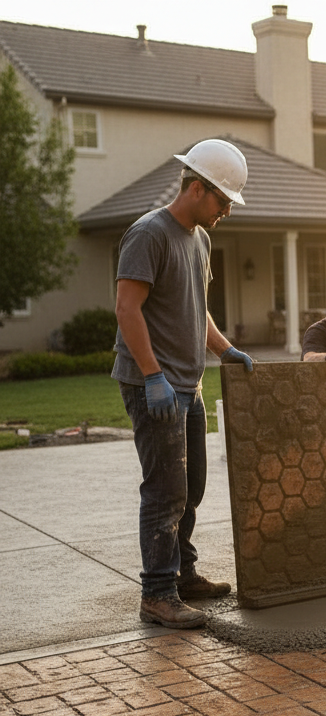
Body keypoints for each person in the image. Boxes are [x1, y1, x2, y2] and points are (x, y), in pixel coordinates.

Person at [113, 138, 255, 630]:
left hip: (188, 385)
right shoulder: (148, 234)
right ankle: (156, 594)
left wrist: (225, 349)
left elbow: (197, 306)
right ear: (197, 188)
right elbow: (127, 309)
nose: (226, 212)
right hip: (152, 384)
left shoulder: (200, 239)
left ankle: (183, 574)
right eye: (223, 201)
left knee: (191, 488)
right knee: (165, 490)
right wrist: (153, 376)